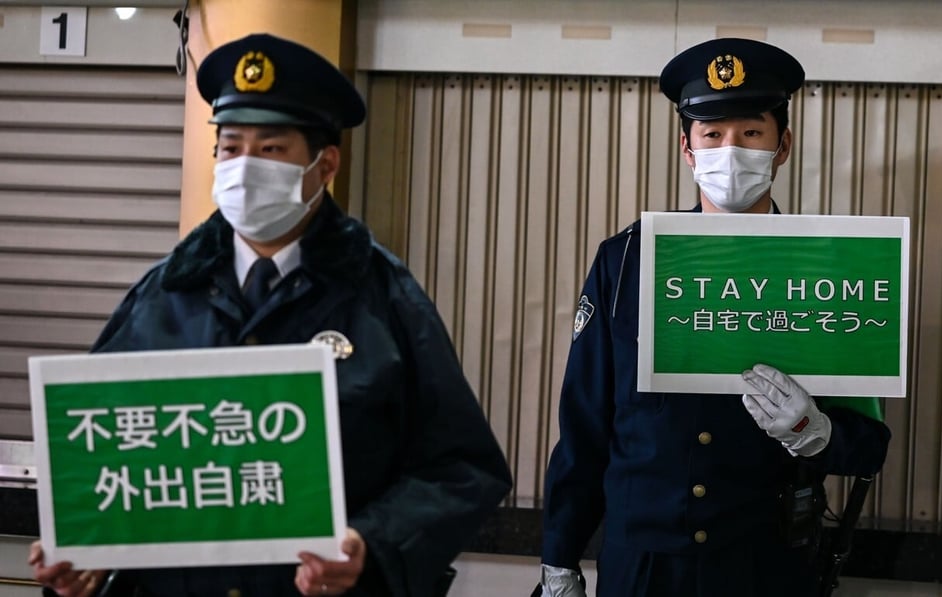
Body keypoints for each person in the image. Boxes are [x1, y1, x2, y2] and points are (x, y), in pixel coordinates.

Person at [28, 33, 512, 597]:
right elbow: (97, 458)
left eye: (272, 149)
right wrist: (89, 558)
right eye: (231, 148)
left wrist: (372, 542)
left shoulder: (384, 297)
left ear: (325, 164)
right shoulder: (164, 294)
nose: (245, 166)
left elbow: (462, 468)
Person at [536, 38, 891, 597]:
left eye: (751, 133)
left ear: (783, 145)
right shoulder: (626, 259)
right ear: (687, 147)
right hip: (643, 560)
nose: (731, 150)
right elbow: (585, 422)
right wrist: (559, 556)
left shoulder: (828, 266)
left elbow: (870, 443)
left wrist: (816, 433)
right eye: (712, 134)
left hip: (766, 562)